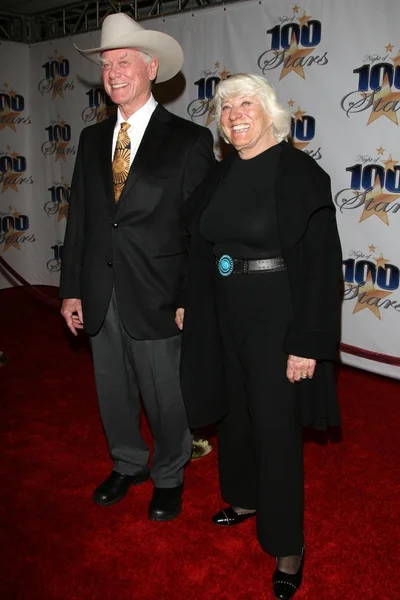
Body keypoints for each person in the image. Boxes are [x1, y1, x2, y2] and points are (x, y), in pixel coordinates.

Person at [176, 74, 342, 599]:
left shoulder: (299, 173)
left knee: (275, 426)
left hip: (278, 317)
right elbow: (200, 245)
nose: (235, 114)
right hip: (224, 312)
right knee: (235, 413)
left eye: (246, 103)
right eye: (226, 108)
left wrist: (309, 343)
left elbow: (323, 266)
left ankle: (287, 542)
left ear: (270, 111)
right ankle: (243, 498)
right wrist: (188, 300)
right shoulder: (220, 174)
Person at [60, 14, 215, 522]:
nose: (113, 72)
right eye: (106, 64)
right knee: (112, 389)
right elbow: (80, 221)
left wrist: (192, 298)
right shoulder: (89, 140)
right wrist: (71, 290)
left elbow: (202, 233)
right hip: (101, 290)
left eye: (123, 61)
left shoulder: (189, 140)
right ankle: (128, 462)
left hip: (159, 295)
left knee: (165, 396)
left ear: (151, 66)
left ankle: (169, 473)